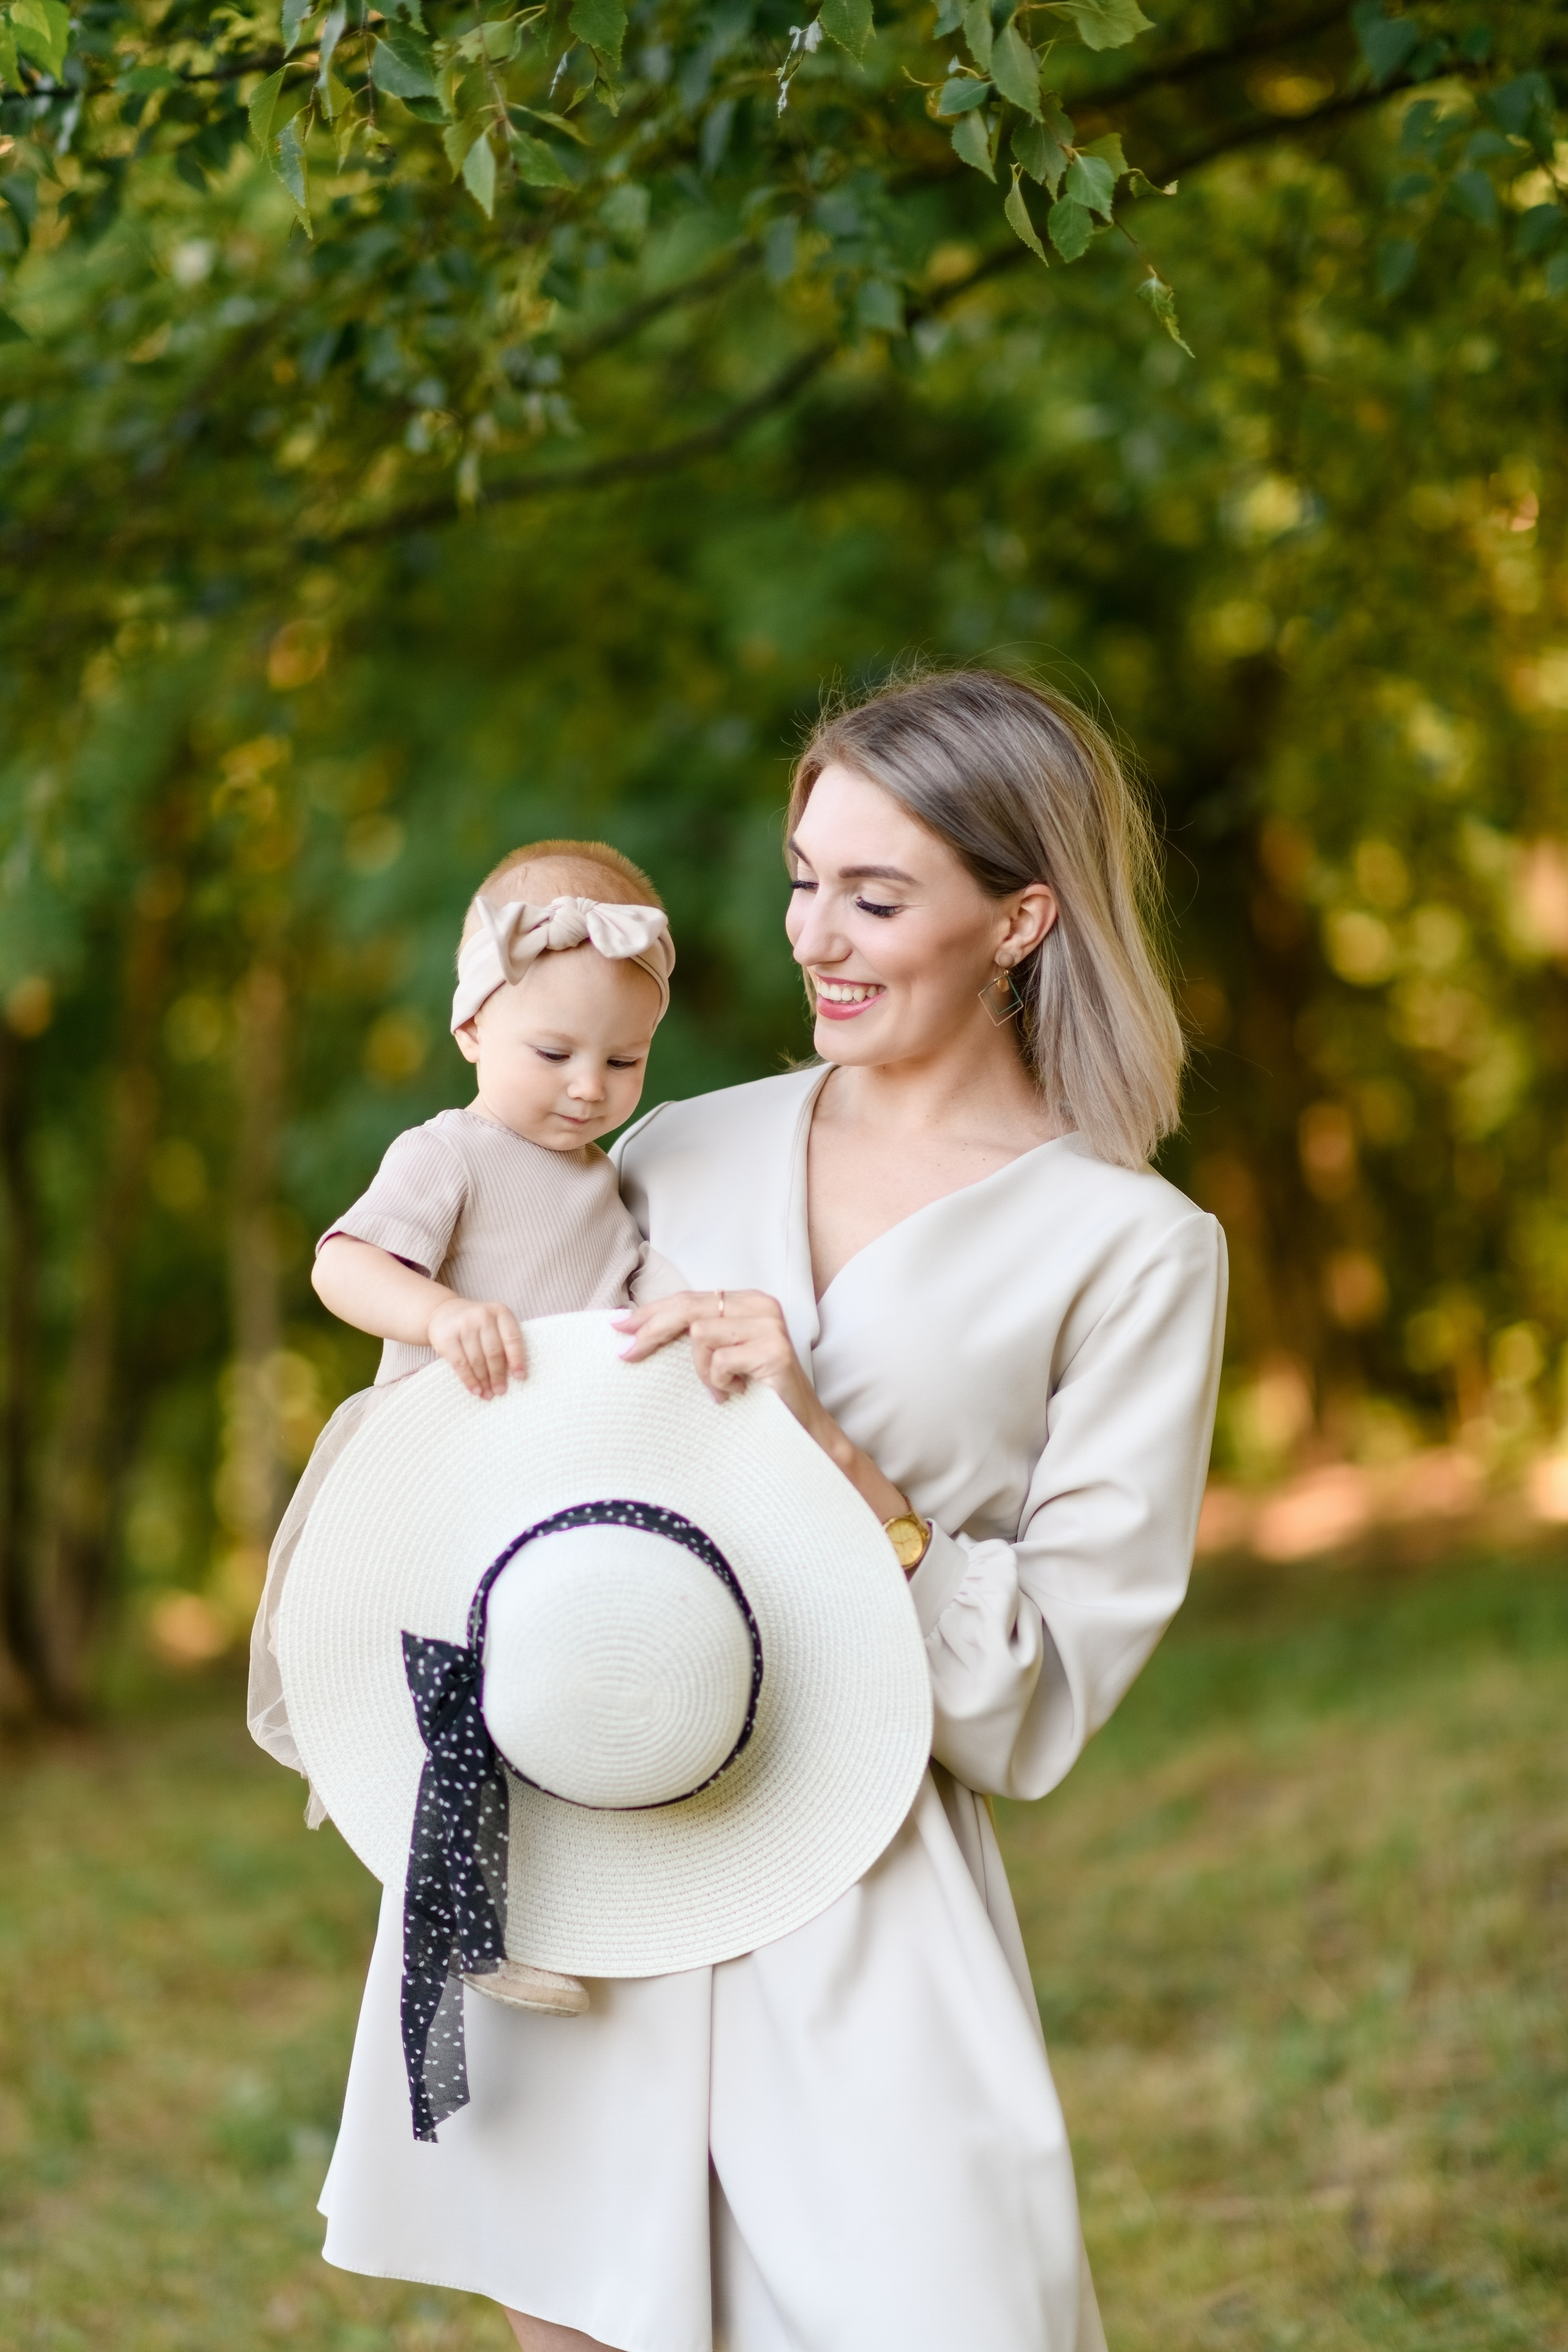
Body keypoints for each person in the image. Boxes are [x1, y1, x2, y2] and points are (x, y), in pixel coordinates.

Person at [315, 668, 1226, 2352]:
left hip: (860, 1891)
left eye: (877, 896)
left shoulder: (1133, 1249)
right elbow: (466, 1463)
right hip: (595, 1852)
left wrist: (841, 1466)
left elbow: (1038, 1694)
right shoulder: (667, 1150)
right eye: (806, 879)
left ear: (1022, 918)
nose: (818, 934)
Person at [247, 835, 681, 2016]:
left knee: (559, 1688)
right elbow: (345, 1266)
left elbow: (624, 1309)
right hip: (440, 1471)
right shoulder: (452, 1154)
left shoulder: (612, 1187)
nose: (588, 1086)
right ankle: (464, 1923)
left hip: (551, 1487)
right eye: (555, 1052)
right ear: (471, 1030)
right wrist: (437, 1313)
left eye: (623, 1060)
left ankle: (574, 1898)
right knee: (455, 1701)